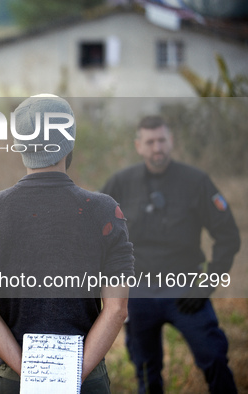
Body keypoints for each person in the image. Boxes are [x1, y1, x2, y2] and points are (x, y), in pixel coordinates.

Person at [0, 95, 135, 393]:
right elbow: (117, 308)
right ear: (70, 143)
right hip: (87, 377)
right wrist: (70, 377)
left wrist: (33, 376)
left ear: (19, 145)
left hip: (15, 381)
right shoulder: (104, 210)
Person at [101, 115, 241, 393]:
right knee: (145, 370)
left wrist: (207, 284)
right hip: (137, 292)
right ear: (138, 145)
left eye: (162, 140)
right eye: (150, 142)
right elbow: (97, 233)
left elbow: (228, 236)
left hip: (187, 290)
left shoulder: (196, 181)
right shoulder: (120, 183)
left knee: (214, 358)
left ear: (171, 141)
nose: (157, 148)